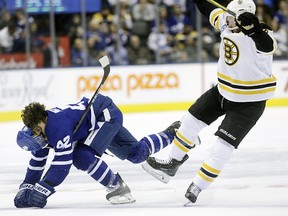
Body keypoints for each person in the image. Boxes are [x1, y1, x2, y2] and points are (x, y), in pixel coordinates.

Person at [142, 0, 277, 204]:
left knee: (222, 146)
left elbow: (265, 45)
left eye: (232, 17)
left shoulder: (264, 35)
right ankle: (172, 163)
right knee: (189, 121)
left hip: (250, 102)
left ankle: (197, 185)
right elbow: (208, 7)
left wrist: (255, 29)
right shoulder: (226, 22)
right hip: (222, 91)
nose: (227, 19)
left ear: (243, 19)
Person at [14, 94, 180, 208]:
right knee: (137, 154)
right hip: (96, 120)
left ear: (43, 120)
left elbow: (61, 165)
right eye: (33, 130)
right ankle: (176, 132)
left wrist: (43, 188)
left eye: (36, 129)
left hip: (105, 116)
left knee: (81, 156)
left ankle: (117, 188)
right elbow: (37, 162)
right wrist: (27, 185)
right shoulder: (42, 130)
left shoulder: (57, 128)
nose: (36, 133)